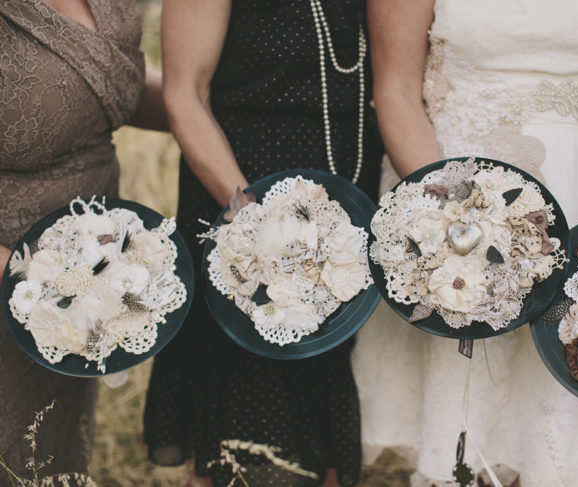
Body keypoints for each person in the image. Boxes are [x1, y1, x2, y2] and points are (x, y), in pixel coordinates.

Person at [352, 1, 578, 485]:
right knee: (469, 393)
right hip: (457, 192)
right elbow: (396, 90)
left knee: (558, 400)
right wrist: (452, 218)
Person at [142, 1, 383, 486]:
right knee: (243, 412)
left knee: (323, 409)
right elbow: (185, 94)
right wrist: (254, 222)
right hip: (237, 193)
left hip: (344, 205)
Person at [0, 0, 164, 477]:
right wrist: (27, 278)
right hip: (22, 271)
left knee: (48, 451)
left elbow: (97, 85)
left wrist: (205, 107)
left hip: (84, 269)